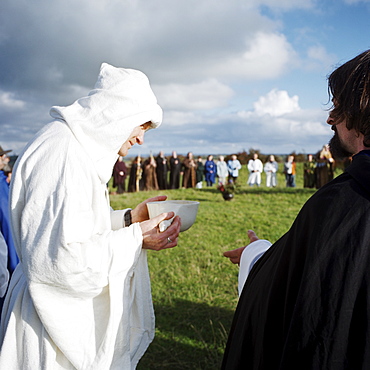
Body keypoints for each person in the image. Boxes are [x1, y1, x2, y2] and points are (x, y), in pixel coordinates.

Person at [0, 63, 181, 369]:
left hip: (61, 317)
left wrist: (129, 220)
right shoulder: (63, 154)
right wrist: (136, 238)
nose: (140, 140)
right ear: (117, 115)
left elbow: (75, 228)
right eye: (141, 126)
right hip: (48, 328)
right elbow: (60, 262)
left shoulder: (75, 150)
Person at [222, 49, 370, 369]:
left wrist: (255, 253)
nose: (330, 118)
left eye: (340, 107)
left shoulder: (343, 203)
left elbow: (304, 301)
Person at [0, 146, 18, 280]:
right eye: (3, 157)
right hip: (6, 267)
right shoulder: (1, 187)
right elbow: (7, 225)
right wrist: (14, 266)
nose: (6, 159)